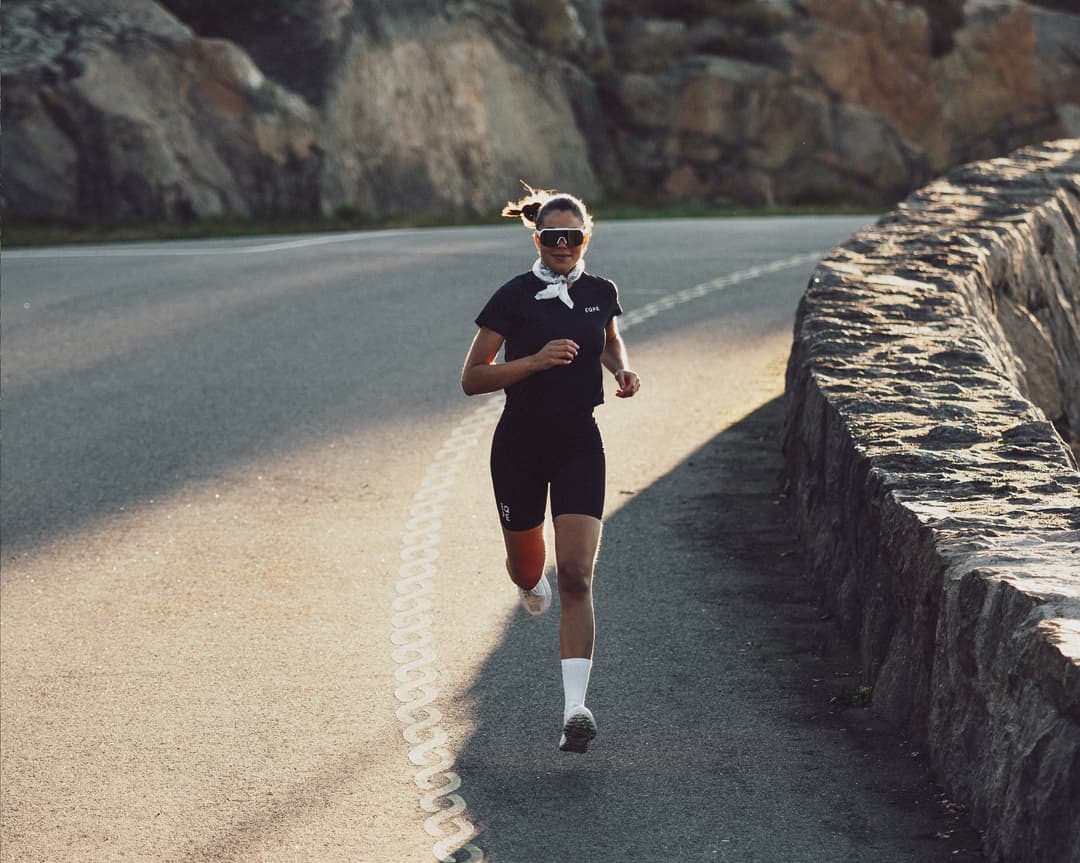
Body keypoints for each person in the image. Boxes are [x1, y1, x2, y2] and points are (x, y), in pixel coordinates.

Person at [460, 182, 641, 753]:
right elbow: (472, 378)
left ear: (586, 238)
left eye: (572, 237)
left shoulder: (600, 291)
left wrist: (621, 371)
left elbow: (608, 340)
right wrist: (534, 362)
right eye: (551, 237)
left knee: (578, 577)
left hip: (579, 444)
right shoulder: (513, 296)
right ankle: (525, 582)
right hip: (518, 444)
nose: (562, 246)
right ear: (537, 237)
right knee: (526, 569)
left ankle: (574, 710)